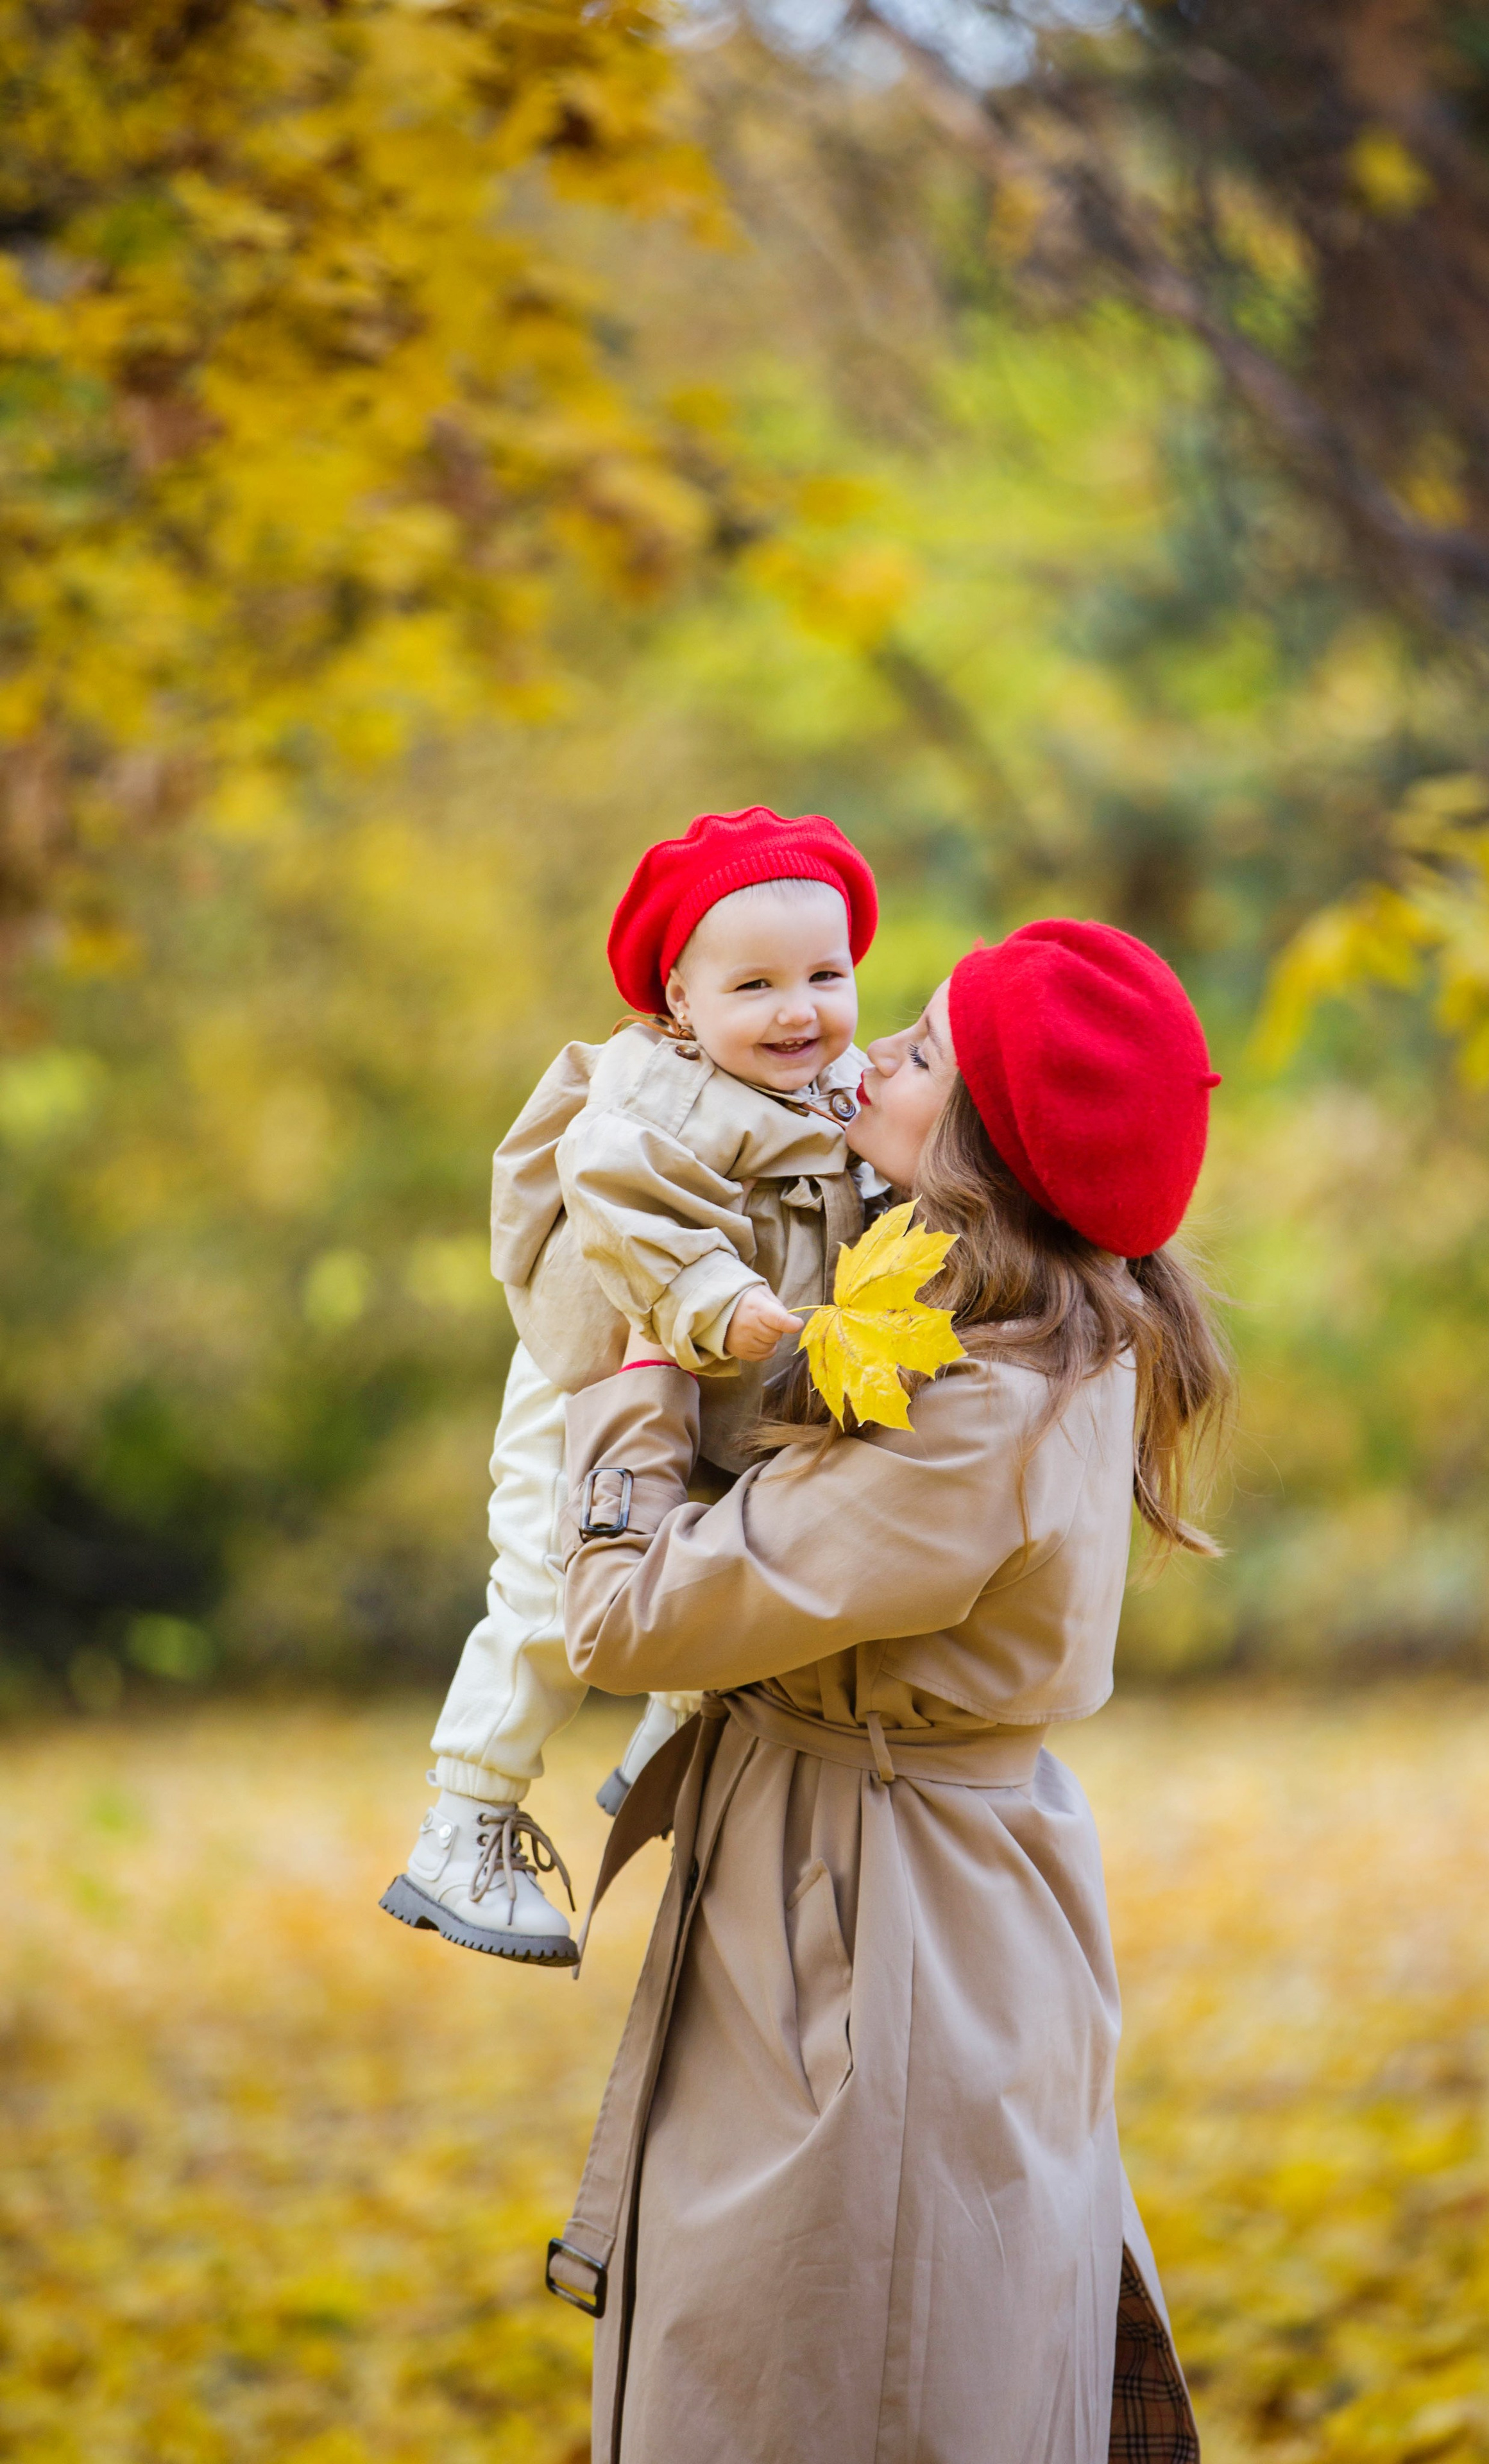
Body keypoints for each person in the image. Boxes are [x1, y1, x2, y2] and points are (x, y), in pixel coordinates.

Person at [545, 918, 1230, 2464]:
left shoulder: (977, 1412)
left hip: (870, 1930)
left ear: (988, 1153)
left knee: (837, 2367)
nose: (866, 1058)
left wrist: (627, 1379)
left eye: (918, 1056)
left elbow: (627, 1609)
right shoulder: (1008, 1316)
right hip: (882, 1880)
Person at [381, 807, 881, 1964]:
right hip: (598, 1394)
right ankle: (465, 1821)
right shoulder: (654, 1092)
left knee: (722, 1561)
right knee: (555, 1595)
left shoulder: (840, 1089)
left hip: (716, 1407)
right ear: (680, 1005)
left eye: (825, 972)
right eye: (753, 985)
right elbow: (631, 1209)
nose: (798, 1009)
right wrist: (715, 1299)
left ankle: (665, 1741)